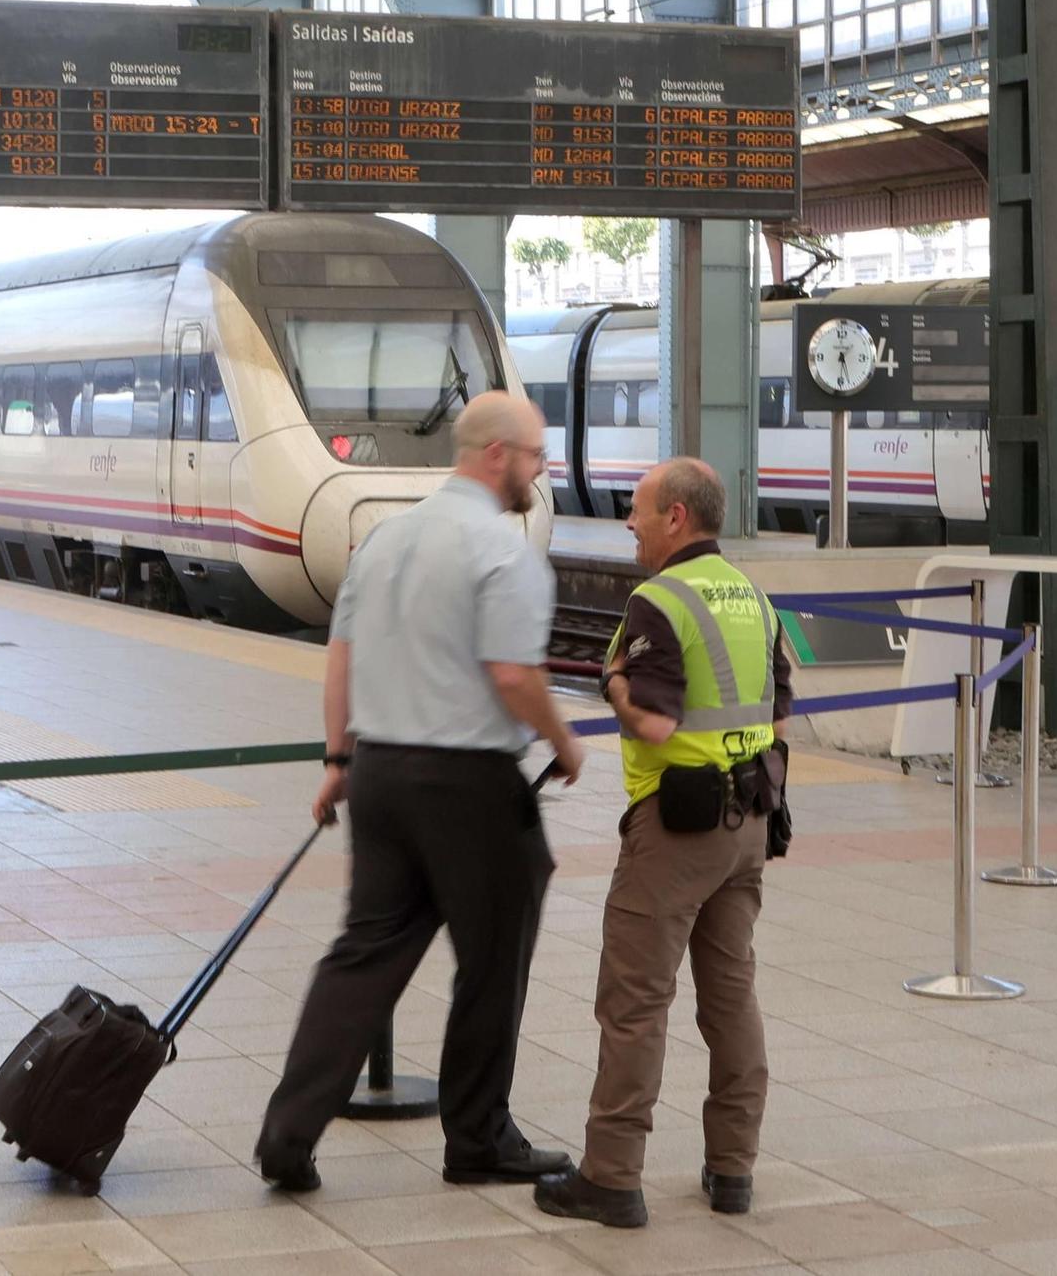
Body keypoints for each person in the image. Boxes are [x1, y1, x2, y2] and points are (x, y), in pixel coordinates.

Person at [254, 390, 586, 1193]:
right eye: (537, 455)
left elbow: (341, 658)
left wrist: (338, 759)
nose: (542, 472)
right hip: (468, 783)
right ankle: (478, 1138)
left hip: (381, 776)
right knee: (492, 960)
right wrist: (564, 737)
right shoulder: (505, 553)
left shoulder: (385, 542)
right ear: (497, 454)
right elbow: (512, 674)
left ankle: (287, 1135)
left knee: (364, 957)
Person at [533, 457, 792, 1230]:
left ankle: (610, 1177)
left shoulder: (658, 600)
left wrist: (612, 682)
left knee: (635, 1002)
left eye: (639, 510)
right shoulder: (753, 593)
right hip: (748, 821)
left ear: (677, 517)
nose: (629, 522)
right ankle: (733, 1167)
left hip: (676, 828)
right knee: (731, 995)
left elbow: (652, 721)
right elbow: (779, 716)